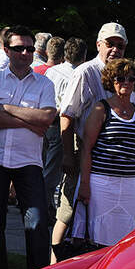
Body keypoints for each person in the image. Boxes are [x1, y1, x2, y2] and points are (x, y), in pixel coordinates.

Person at [52, 22, 135, 262]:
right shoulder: (86, 72)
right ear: (99, 44)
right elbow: (67, 114)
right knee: (69, 214)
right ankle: (54, 267)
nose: (115, 49)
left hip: (115, 162)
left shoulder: (128, 75)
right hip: (82, 147)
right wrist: (68, 154)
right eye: (110, 44)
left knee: (102, 225)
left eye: (120, 45)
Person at [0, 25, 57, 269]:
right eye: (19, 48)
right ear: (6, 50)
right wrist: (30, 123)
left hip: (28, 163)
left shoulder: (45, 83)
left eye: (30, 49)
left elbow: (47, 117)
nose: (25, 53)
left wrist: (9, 109)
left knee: (36, 223)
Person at [73, 58, 135, 246]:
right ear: (111, 81)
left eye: (131, 79)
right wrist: (84, 184)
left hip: (129, 184)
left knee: (124, 239)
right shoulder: (101, 108)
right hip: (102, 183)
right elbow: (86, 148)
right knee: (97, 236)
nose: (126, 83)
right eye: (120, 78)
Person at [43, 37, 87, 223]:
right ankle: (45, 207)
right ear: (84, 55)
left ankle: (44, 204)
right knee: (54, 170)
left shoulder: (51, 72)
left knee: (44, 165)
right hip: (63, 124)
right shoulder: (80, 75)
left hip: (45, 123)